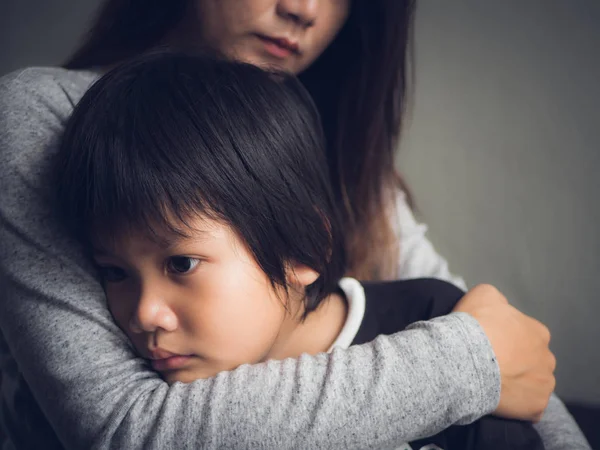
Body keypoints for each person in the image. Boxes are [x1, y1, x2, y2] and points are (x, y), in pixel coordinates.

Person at [0, 0, 580, 449]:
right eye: (114, 273)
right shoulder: (43, 116)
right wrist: (467, 363)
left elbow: (498, 338)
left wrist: (484, 357)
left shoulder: (340, 159)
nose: (305, 8)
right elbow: (128, 428)